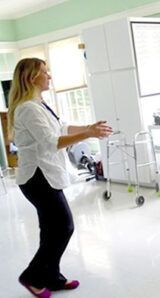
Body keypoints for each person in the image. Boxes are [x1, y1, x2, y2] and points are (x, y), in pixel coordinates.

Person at [7, 58, 112, 298]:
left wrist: (88, 126)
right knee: (64, 227)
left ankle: (52, 278)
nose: (49, 76)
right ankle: (32, 277)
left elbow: (61, 128)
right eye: (45, 72)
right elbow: (51, 142)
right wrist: (88, 133)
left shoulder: (38, 104)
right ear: (32, 77)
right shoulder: (28, 108)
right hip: (37, 177)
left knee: (51, 228)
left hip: (44, 175)